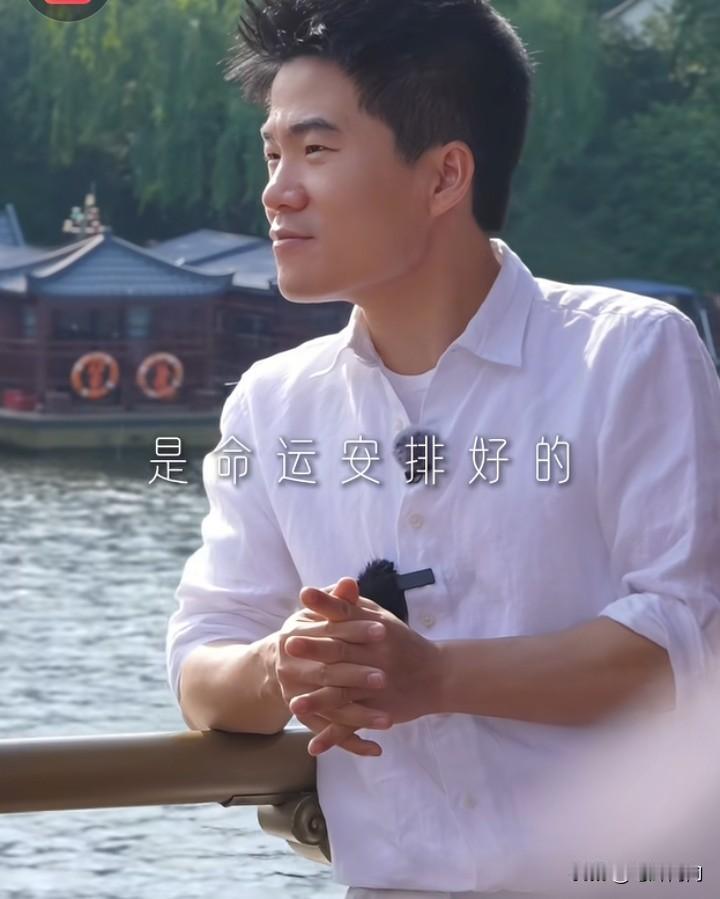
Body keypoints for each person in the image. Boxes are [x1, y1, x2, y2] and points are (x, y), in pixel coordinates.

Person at [165, 1, 720, 896]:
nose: (276, 191)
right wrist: (285, 661)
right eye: (272, 154)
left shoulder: (627, 353)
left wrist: (436, 676)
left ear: (444, 175)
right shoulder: (274, 405)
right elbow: (202, 666)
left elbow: (681, 645)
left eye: (315, 149)